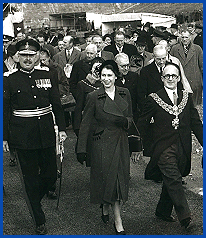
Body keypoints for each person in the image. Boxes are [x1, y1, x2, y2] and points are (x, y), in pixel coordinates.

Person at [3, 38, 67, 235]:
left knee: (49, 175)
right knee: (30, 179)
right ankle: (39, 218)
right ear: (17, 57)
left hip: (47, 131)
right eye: (23, 55)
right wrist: (4, 137)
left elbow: (56, 103)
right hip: (23, 135)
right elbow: (4, 110)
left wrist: (62, 129)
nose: (27, 59)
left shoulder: (49, 73)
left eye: (31, 55)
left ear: (39, 55)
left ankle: (34, 198)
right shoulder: (8, 78)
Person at [76, 60, 141, 234]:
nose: (106, 79)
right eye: (103, 75)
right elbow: (86, 123)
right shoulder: (94, 96)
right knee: (109, 180)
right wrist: (81, 148)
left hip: (121, 142)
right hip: (102, 144)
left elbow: (130, 117)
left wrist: (124, 121)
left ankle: (106, 206)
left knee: (119, 180)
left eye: (109, 75)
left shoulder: (125, 93)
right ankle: (118, 220)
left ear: (116, 77)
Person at [138, 63, 203, 229]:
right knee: (174, 180)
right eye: (167, 76)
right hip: (163, 149)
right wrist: (142, 147)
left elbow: (196, 123)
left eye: (174, 76)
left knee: (172, 178)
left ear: (179, 78)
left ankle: (162, 210)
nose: (171, 79)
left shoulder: (186, 97)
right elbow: (142, 124)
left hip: (183, 147)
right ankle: (186, 218)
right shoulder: (153, 98)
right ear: (162, 78)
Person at [73, 57, 104, 166]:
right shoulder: (83, 84)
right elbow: (79, 107)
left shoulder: (108, 83)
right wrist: (77, 126)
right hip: (90, 123)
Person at [170, 29, 203, 106]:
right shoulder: (175, 49)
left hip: (194, 82)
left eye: (186, 37)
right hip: (180, 81)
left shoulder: (197, 49)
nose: (184, 39)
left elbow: (202, 67)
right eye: (183, 37)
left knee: (195, 106)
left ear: (190, 37)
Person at [115, 53, 140, 124]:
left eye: (127, 65)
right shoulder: (112, 78)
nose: (126, 68)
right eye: (123, 66)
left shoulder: (134, 76)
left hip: (132, 114)